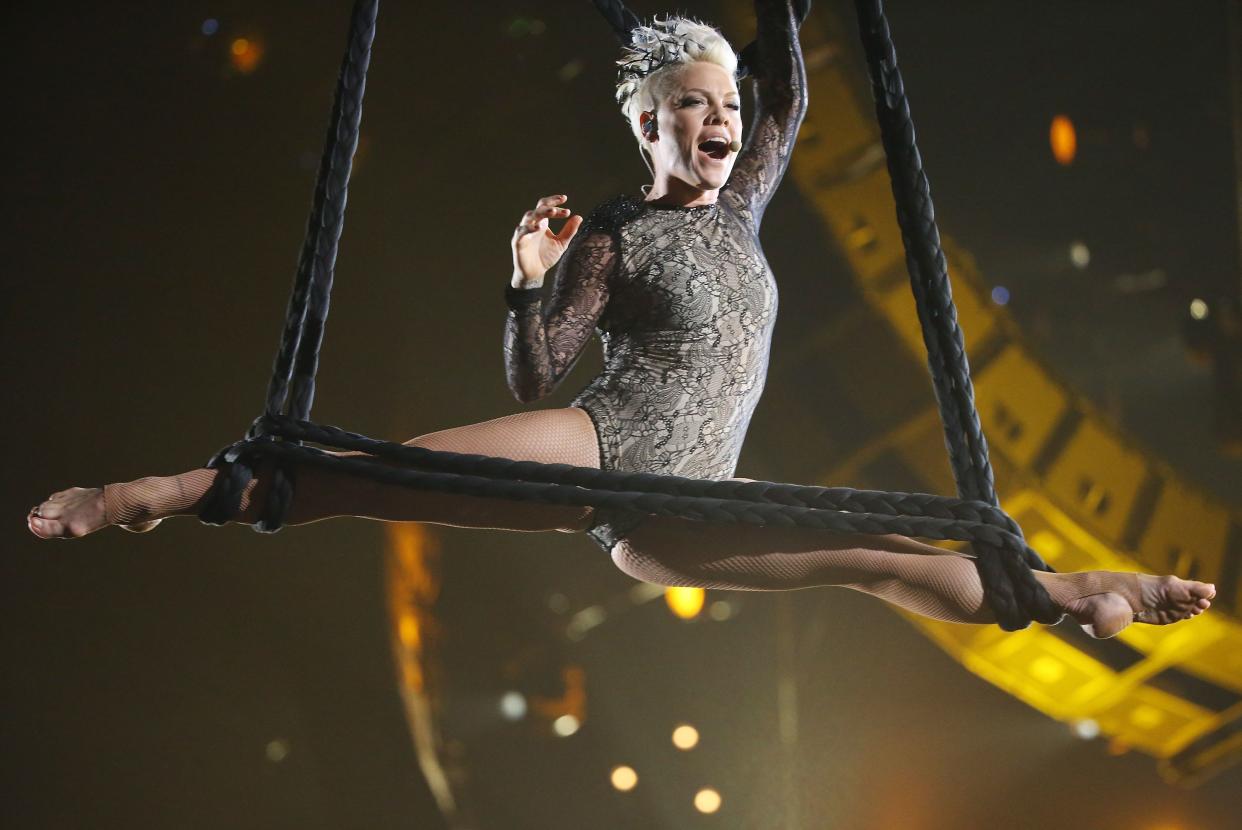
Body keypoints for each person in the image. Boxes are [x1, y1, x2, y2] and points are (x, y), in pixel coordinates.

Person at [27, 3, 1214, 639]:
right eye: (693, 108)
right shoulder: (617, 231)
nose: (723, 123)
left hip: (689, 508)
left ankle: (1065, 593)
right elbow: (539, 371)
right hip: (608, 451)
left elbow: (792, 83)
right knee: (368, 475)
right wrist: (523, 271)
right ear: (646, 126)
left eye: (728, 107)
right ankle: (152, 494)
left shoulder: (746, 202)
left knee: (881, 557)